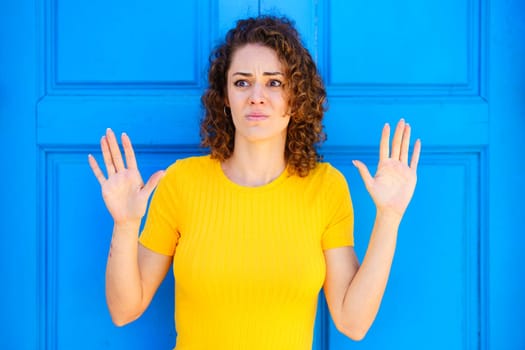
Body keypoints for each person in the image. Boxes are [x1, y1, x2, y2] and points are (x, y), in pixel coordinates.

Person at [88, 15, 421, 350]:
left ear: (297, 96)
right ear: (225, 96)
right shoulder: (182, 182)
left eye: (274, 82)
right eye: (242, 82)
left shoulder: (326, 187)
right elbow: (124, 310)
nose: (257, 96)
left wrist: (389, 218)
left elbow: (353, 321)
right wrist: (126, 224)